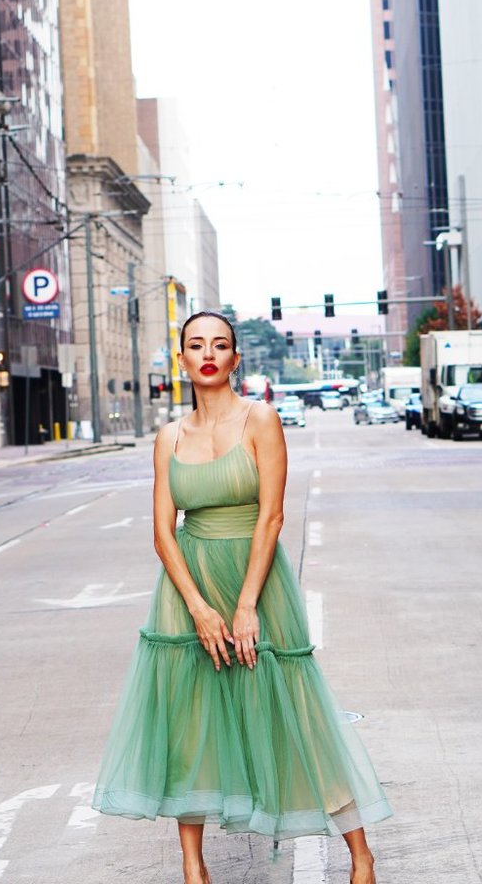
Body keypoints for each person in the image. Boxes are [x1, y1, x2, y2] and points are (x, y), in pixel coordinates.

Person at [92, 311, 390, 884]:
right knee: (189, 720)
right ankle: (192, 867)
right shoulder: (169, 437)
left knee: (294, 709)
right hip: (187, 589)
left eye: (220, 345)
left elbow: (272, 516)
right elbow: (162, 532)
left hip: (256, 580)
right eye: (196, 345)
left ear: (235, 359)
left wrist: (247, 603)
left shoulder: (261, 420)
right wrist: (200, 608)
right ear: (181, 361)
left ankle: (360, 852)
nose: (208, 353)